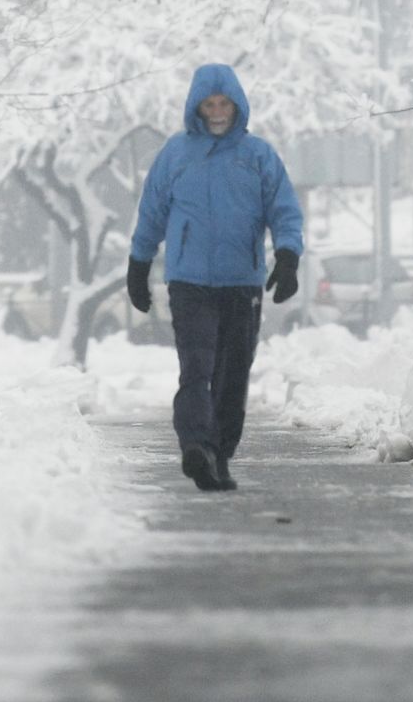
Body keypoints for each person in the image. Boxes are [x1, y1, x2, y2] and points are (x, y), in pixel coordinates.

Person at [123, 62, 305, 492]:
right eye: (210, 104)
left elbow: (284, 210)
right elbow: (152, 213)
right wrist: (139, 263)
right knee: (196, 368)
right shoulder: (176, 154)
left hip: (242, 281)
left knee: (233, 374)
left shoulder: (258, 155)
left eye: (225, 104)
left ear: (236, 106)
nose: (218, 112)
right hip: (189, 282)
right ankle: (196, 447)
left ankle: (219, 454)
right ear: (197, 108)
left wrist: (288, 255)